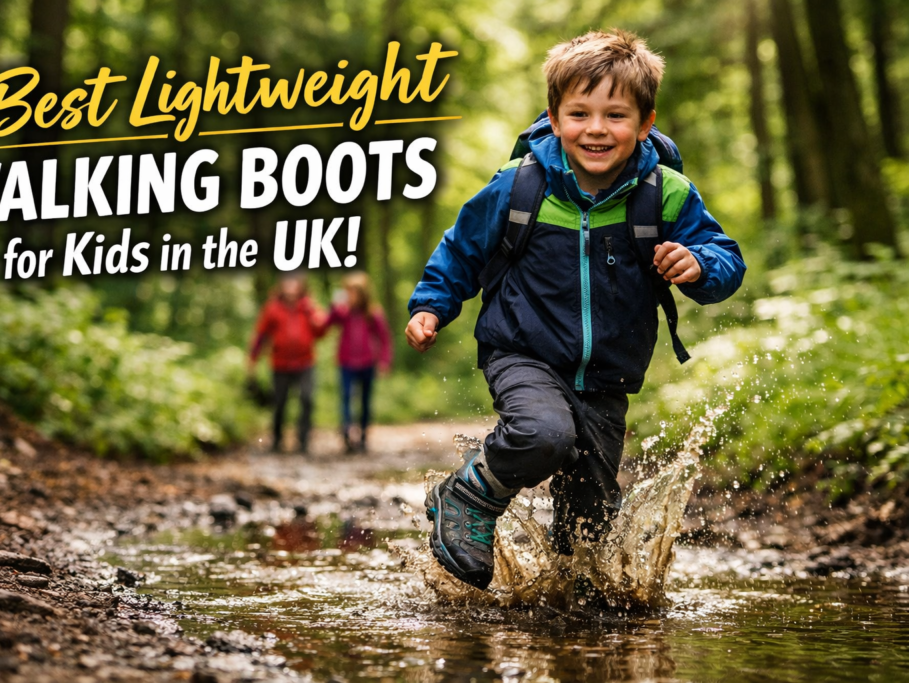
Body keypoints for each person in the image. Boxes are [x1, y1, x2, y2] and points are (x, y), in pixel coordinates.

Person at [405, 30, 746, 591]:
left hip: (609, 375)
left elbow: (724, 259)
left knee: (587, 529)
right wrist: (432, 307)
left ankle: (566, 604)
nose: (595, 129)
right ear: (554, 116)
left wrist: (700, 265)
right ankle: (469, 493)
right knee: (543, 433)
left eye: (615, 115)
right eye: (579, 113)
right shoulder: (519, 187)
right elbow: (462, 249)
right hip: (523, 352)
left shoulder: (665, 194)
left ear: (646, 122)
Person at [248, 273, 326, 454]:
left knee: (307, 398)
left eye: (294, 282)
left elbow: (321, 331)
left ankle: (303, 440)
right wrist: (253, 357)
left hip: (305, 362)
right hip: (280, 363)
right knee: (279, 402)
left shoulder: (308, 306)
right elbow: (261, 334)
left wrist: (315, 318)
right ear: (281, 285)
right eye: (287, 282)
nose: (291, 286)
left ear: (301, 285)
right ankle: (276, 440)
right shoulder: (273, 307)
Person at [323, 272, 393, 453]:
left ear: (362, 294)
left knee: (365, 400)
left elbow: (384, 338)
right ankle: (346, 431)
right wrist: (334, 307)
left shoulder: (373, 313)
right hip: (346, 362)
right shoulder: (343, 312)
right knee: (346, 397)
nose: (351, 296)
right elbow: (326, 324)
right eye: (348, 292)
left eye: (354, 292)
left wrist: (384, 361)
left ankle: (363, 435)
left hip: (367, 362)